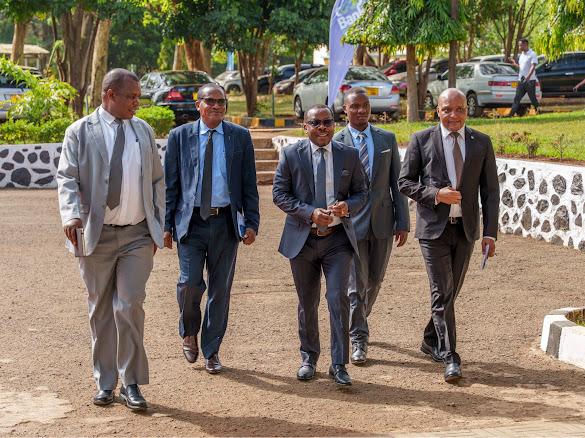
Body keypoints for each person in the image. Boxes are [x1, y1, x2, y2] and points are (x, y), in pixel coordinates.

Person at [56, 68, 165, 410]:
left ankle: (131, 382)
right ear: (109, 95)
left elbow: (157, 180)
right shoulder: (79, 131)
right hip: (94, 235)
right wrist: (71, 214)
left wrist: (157, 224)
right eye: (131, 97)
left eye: (138, 97)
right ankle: (105, 383)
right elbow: (67, 177)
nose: (137, 103)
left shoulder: (143, 131)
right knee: (101, 310)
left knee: (129, 304)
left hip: (137, 235)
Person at [398, 88, 499, 383]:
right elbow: (404, 182)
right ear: (437, 111)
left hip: (466, 230)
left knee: (451, 291)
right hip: (433, 230)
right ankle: (450, 355)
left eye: (459, 109)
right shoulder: (421, 139)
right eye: (447, 110)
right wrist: (435, 194)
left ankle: (430, 338)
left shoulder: (481, 142)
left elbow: (490, 191)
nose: (453, 115)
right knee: (442, 291)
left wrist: (490, 234)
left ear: (467, 110)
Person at [164, 83, 259, 374]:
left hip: (225, 223)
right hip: (190, 223)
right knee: (190, 283)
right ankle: (189, 331)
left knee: (220, 290)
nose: (217, 106)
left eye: (221, 101)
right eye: (210, 101)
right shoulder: (179, 136)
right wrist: (166, 225)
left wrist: (252, 222)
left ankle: (212, 350)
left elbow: (249, 184)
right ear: (198, 105)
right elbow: (171, 185)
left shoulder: (239, 136)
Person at [273, 104, 368, 386]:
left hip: (338, 240)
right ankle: (309, 358)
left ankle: (339, 364)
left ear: (334, 125)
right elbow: (279, 194)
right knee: (307, 301)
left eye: (328, 122)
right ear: (306, 127)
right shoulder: (291, 154)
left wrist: (347, 206)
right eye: (316, 123)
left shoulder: (349, 155)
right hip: (302, 240)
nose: (323, 127)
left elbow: (362, 192)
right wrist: (309, 213)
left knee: (338, 299)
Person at [333, 88, 410, 365]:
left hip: (383, 222)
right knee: (356, 285)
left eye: (365, 106)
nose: (361, 111)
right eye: (354, 106)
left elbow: (397, 184)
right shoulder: (337, 141)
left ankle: (360, 317)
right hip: (350, 224)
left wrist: (403, 221)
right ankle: (358, 338)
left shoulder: (386, 138)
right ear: (345, 110)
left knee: (375, 280)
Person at [508, 38, 540, 116]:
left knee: (533, 99)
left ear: (525, 45)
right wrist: (515, 64)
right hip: (521, 80)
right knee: (517, 98)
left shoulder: (532, 54)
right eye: (519, 45)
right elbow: (522, 68)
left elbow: (533, 66)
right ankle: (511, 114)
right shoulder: (522, 55)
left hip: (530, 81)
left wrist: (527, 77)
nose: (519, 47)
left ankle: (539, 111)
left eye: (520, 45)